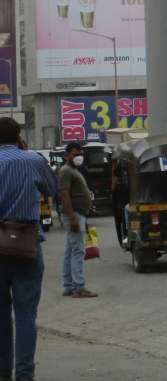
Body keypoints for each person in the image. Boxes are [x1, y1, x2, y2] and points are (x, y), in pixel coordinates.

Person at [0, 117, 58, 381]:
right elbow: (52, 188)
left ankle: (3, 371)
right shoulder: (33, 160)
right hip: (26, 245)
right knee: (25, 314)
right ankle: (25, 373)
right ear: (19, 136)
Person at [57, 143, 96, 299]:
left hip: (79, 214)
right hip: (74, 215)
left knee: (70, 251)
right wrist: (72, 217)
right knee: (78, 251)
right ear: (67, 155)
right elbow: (64, 195)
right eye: (75, 154)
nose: (79, 157)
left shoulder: (73, 170)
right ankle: (79, 288)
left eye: (80, 154)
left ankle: (68, 286)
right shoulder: (66, 171)